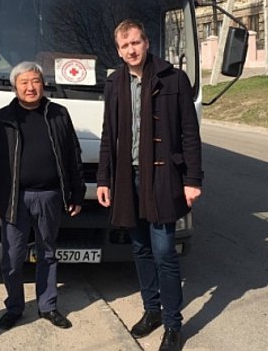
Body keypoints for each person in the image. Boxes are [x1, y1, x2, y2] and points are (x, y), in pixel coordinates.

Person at [96, 19, 203, 351]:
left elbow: (189, 133)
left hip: (163, 179)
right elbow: (108, 135)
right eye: (125, 46)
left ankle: (173, 324)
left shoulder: (174, 78)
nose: (131, 50)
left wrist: (192, 180)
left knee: (164, 252)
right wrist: (103, 178)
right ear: (118, 50)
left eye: (136, 43)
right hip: (127, 180)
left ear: (147, 42)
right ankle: (151, 310)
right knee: (140, 249)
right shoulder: (114, 83)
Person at [0, 61, 86, 331]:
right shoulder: (0, 120)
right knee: (12, 257)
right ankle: (15, 307)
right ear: (15, 86)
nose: (30, 87)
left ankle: (48, 305)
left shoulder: (59, 114)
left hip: (49, 196)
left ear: (43, 83)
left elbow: (74, 155)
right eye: (24, 82)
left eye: (35, 81)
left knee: (48, 252)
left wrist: (77, 193)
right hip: (14, 199)